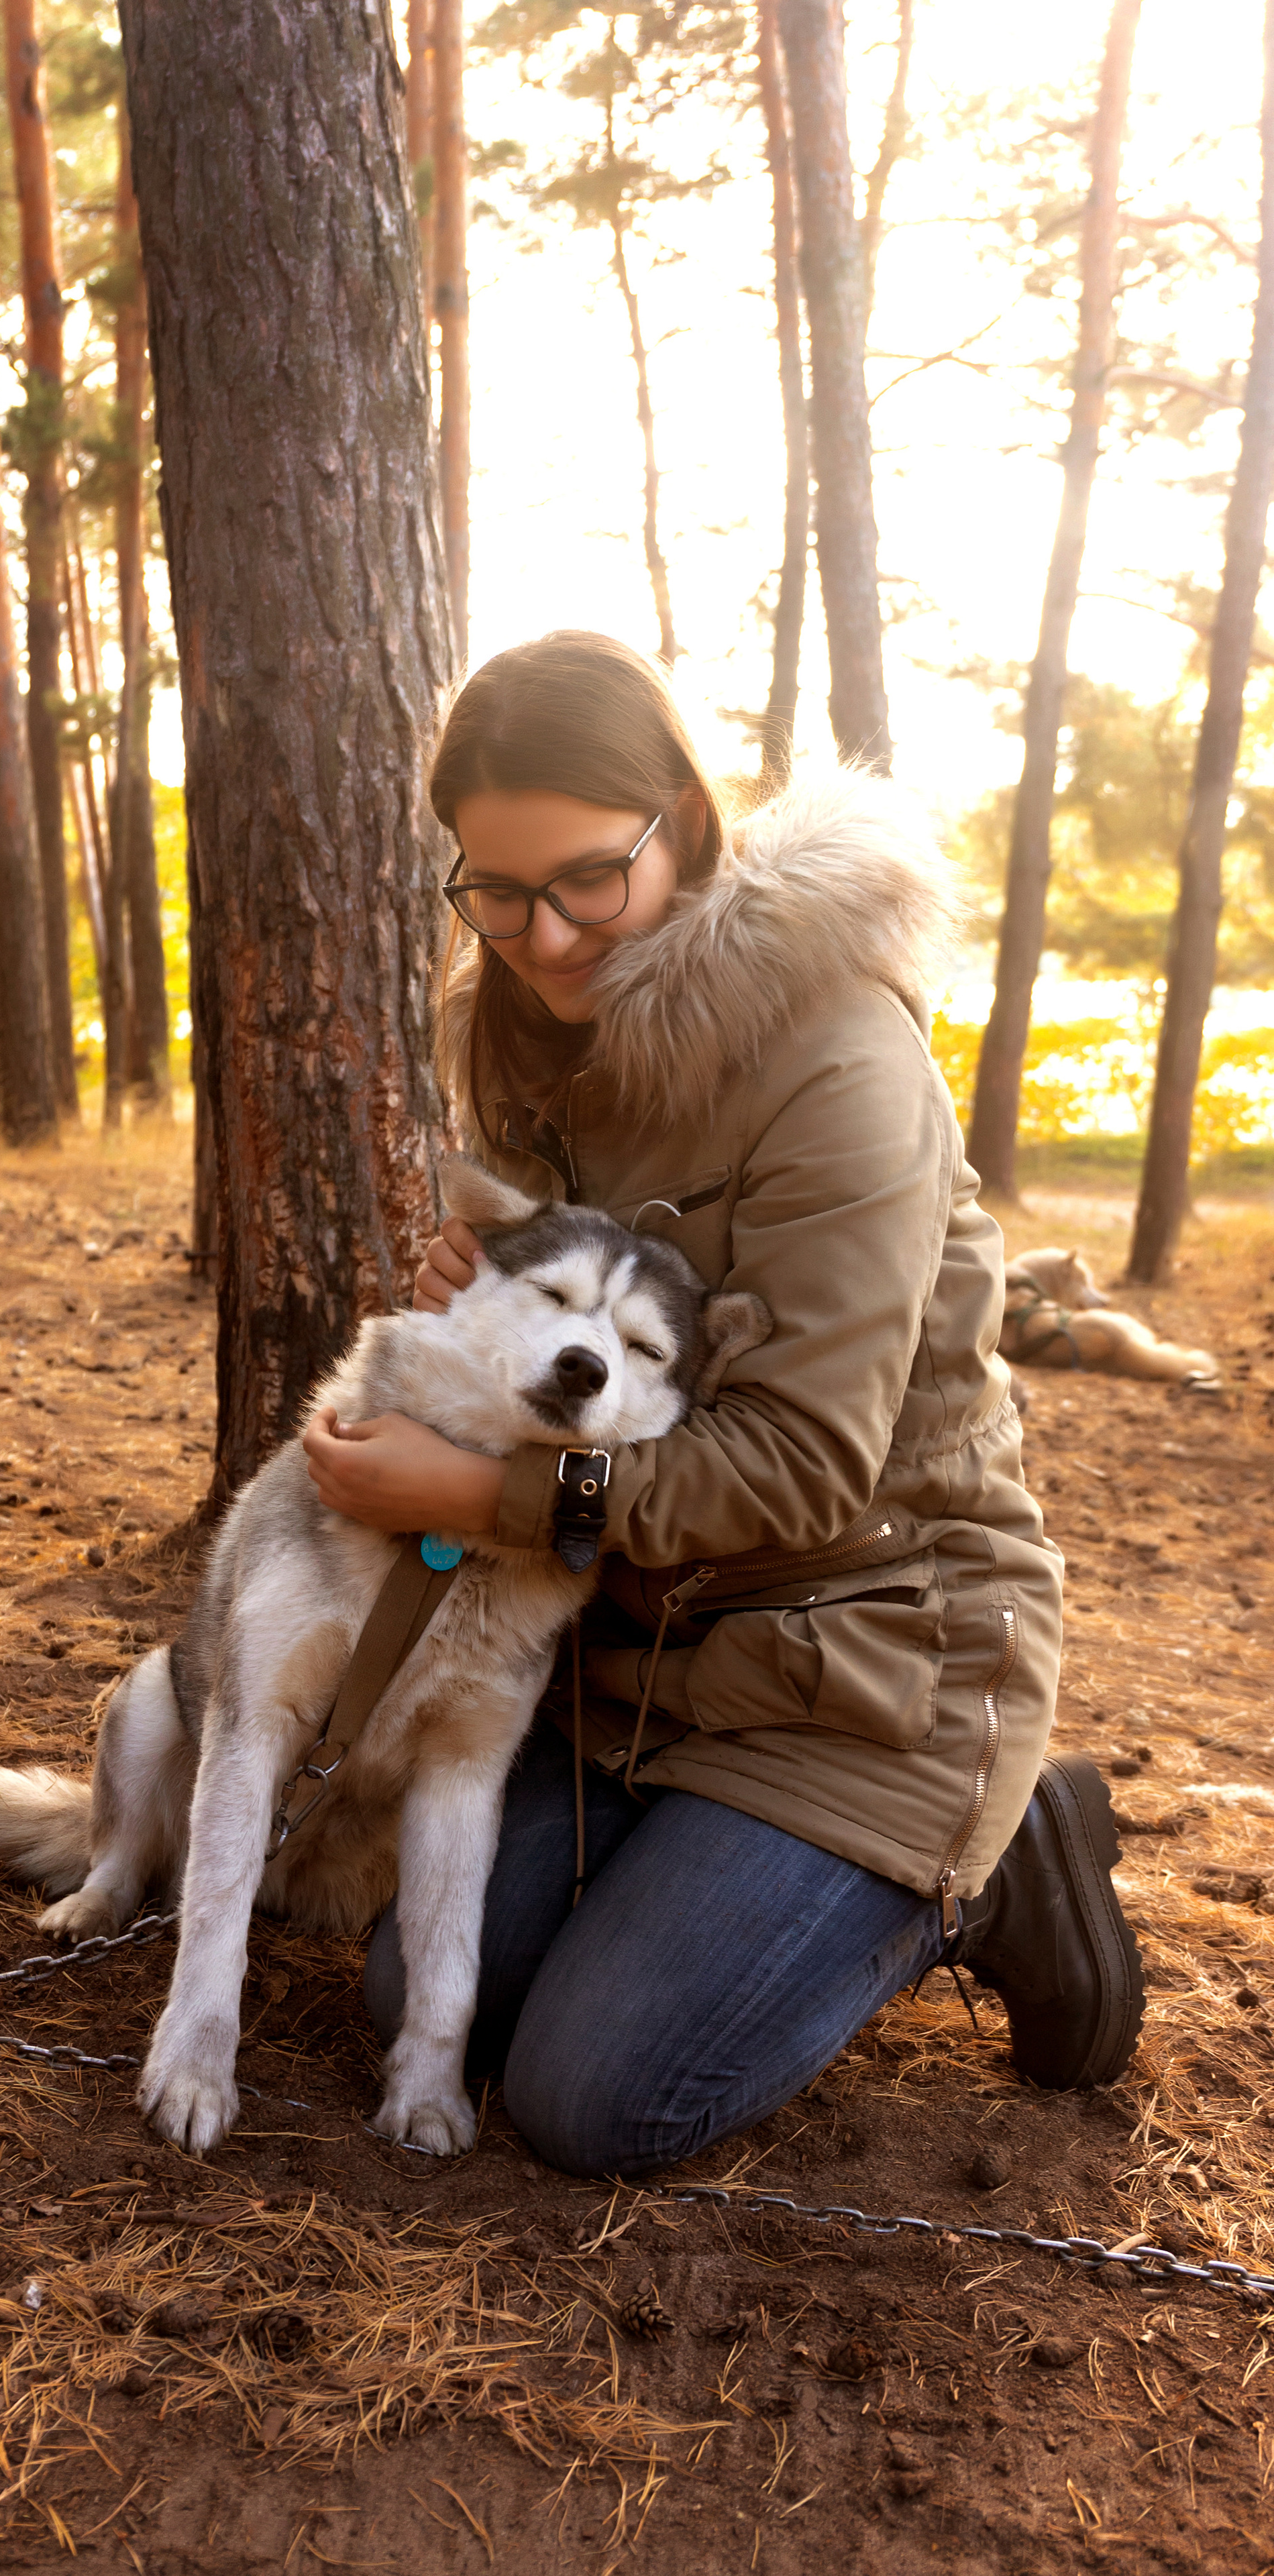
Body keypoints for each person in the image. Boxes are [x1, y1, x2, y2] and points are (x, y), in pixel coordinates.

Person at [301, 631, 1143, 2178]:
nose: (540, 937)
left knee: (597, 2098)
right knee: (418, 1996)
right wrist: (494, 1313)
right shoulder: (544, 1038)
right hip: (638, 1658)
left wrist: (471, 1498)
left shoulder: (836, 1054)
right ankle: (703, 1879)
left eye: (581, 882)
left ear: (680, 822)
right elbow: (614, 1351)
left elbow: (807, 1463)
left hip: (873, 1653)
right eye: (492, 891)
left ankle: (999, 1860)